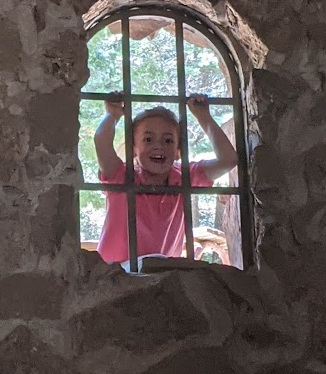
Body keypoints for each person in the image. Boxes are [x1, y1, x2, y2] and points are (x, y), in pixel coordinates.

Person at [94, 93, 238, 265]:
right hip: (115, 271)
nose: (159, 146)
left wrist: (204, 117)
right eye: (148, 139)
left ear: (178, 151)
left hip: (163, 273)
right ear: (133, 149)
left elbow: (228, 160)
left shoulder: (184, 177)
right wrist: (112, 115)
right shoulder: (122, 176)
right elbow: (101, 141)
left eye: (168, 140)